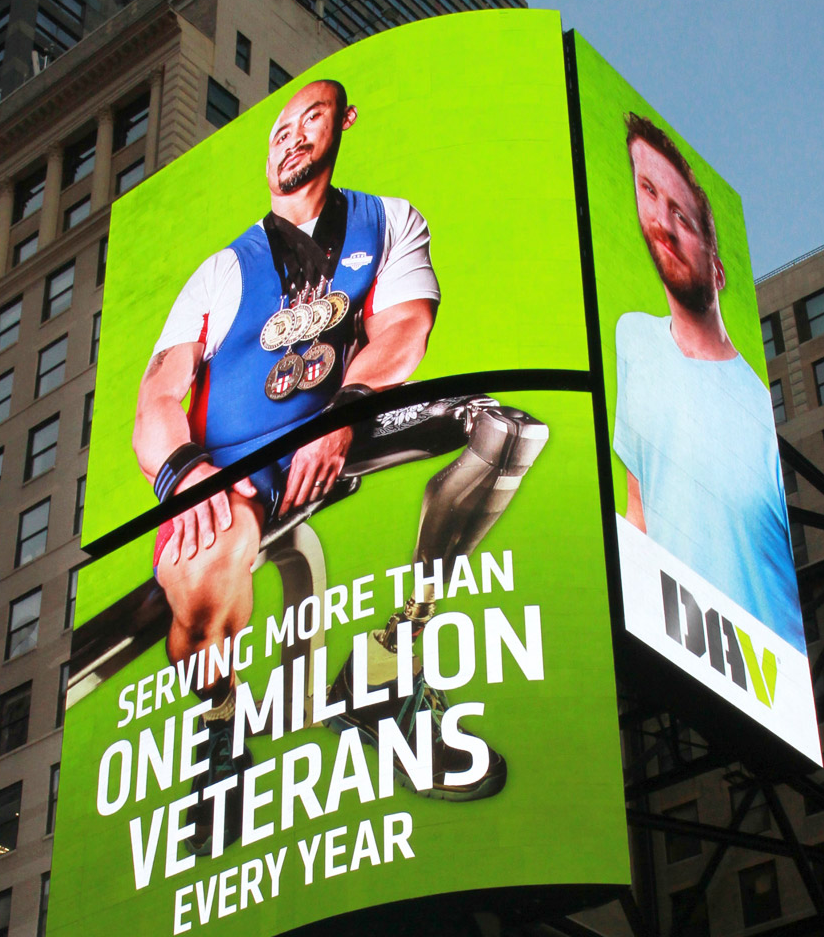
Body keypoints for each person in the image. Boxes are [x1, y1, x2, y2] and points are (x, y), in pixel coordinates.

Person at [133, 80, 546, 850]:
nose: (290, 137)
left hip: (344, 419)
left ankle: (382, 667)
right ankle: (220, 743)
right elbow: (157, 394)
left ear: (343, 124)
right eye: (278, 129)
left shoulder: (388, 221)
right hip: (238, 464)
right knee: (206, 574)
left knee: (507, 434)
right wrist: (186, 475)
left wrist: (342, 411)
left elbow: (404, 333)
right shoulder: (223, 271)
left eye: (309, 120)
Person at [612, 114, 802, 649]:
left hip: (767, 685)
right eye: (647, 191)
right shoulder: (632, 337)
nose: (662, 223)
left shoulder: (758, 407)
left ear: (718, 271)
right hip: (669, 642)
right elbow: (640, 500)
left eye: (683, 218)